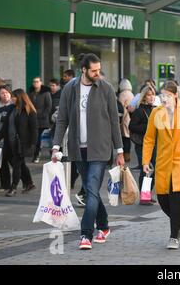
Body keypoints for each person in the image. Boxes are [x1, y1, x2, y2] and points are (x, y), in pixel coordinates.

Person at [51, 53, 124, 250]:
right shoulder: (70, 88)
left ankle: (85, 234)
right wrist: (56, 145)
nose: (97, 74)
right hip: (78, 149)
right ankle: (104, 225)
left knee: (91, 190)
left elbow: (114, 122)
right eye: (94, 71)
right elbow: (62, 119)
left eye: (99, 70)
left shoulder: (106, 88)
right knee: (91, 191)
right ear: (83, 69)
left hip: (100, 149)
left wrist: (119, 150)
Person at [142, 81, 180, 250]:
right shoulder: (156, 113)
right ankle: (177, 221)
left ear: (176, 95)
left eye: (168, 96)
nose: (164, 99)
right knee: (163, 200)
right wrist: (146, 161)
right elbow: (149, 139)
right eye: (162, 95)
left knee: (176, 198)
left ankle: (173, 236)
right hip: (163, 163)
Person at [0, 89, 38, 197]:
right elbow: (5, 127)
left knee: (17, 165)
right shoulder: (12, 109)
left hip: (21, 143)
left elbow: (34, 129)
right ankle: (29, 183)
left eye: (14, 97)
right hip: (10, 142)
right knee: (20, 164)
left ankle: (13, 188)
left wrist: (32, 144)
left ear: (19, 97)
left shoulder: (29, 111)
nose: (12, 99)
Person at [129, 85, 157, 205]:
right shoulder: (140, 110)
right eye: (149, 95)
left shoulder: (155, 109)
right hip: (142, 144)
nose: (152, 97)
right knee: (145, 170)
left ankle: (147, 193)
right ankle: (144, 196)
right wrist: (147, 128)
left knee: (157, 168)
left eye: (153, 94)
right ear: (144, 97)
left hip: (154, 144)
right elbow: (131, 126)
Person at [28, 77, 52, 163]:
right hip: (33, 119)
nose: (35, 83)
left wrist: (43, 115)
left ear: (41, 83)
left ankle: (37, 155)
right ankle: (35, 154)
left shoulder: (46, 93)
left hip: (43, 120)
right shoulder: (31, 93)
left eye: (37, 82)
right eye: (34, 82)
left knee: (39, 139)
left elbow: (48, 106)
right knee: (35, 138)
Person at [0, 85, 14, 192]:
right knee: (2, 162)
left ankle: (27, 181)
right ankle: (5, 185)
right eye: (2, 93)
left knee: (13, 161)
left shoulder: (13, 105)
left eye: (7, 92)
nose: (5, 94)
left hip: (9, 137)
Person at [118, 78, 135, 162]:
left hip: (124, 119)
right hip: (130, 118)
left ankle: (125, 155)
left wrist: (120, 120)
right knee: (128, 138)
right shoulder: (131, 94)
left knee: (124, 138)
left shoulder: (122, 94)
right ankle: (127, 155)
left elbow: (121, 109)